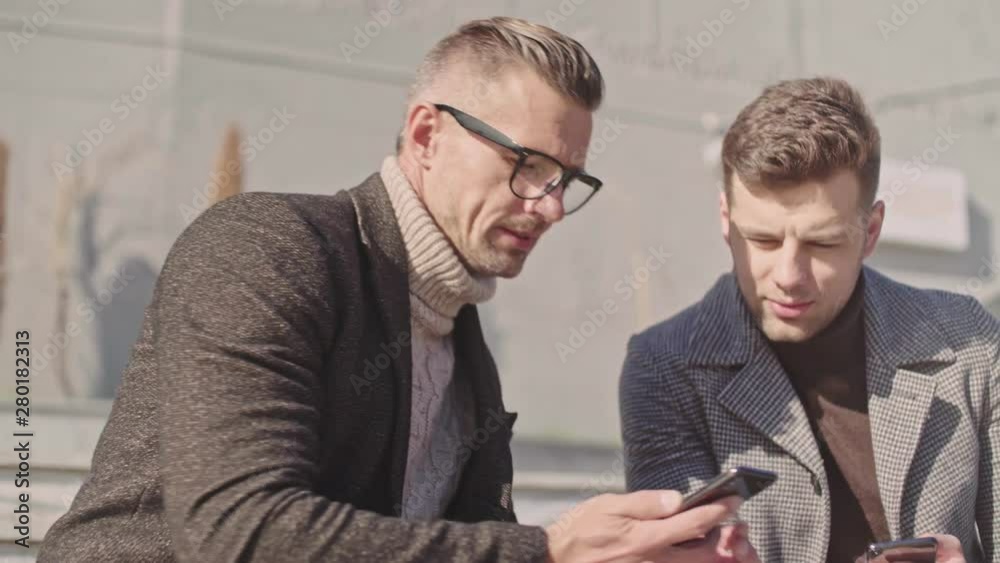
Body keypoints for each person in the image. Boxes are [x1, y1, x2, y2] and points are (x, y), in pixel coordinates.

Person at [40, 17, 760, 563]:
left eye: (566, 181)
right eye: (528, 165)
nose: (546, 205)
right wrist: (549, 547)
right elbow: (241, 531)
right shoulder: (266, 248)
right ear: (425, 134)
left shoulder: (462, 346)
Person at [619, 77, 995, 563]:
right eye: (763, 241)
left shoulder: (969, 340)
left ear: (871, 231)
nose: (789, 276)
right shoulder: (664, 367)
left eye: (822, 244)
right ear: (725, 221)